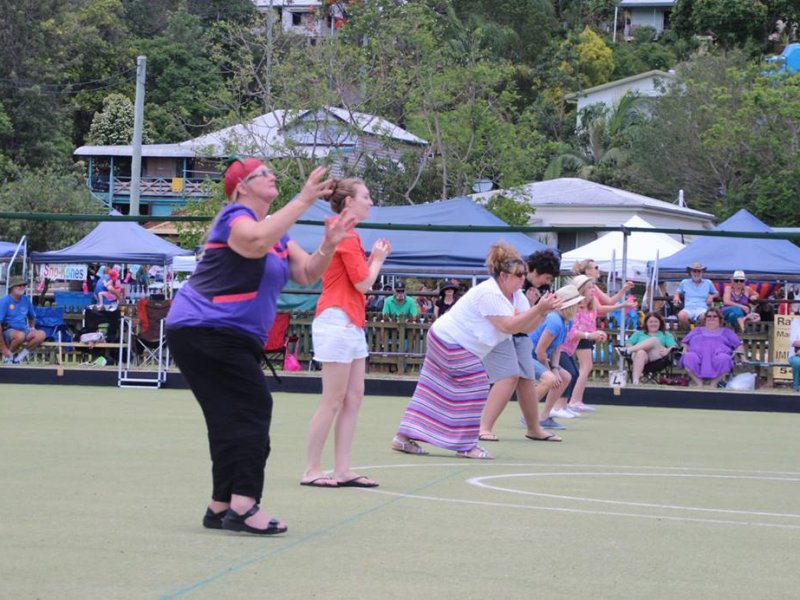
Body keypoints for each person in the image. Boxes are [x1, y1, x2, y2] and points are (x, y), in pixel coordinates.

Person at [166, 158, 354, 535]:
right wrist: (303, 200)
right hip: (206, 329)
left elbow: (305, 273)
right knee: (253, 409)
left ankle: (220, 506)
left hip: (215, 333)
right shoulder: (233, 217)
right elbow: (253, 243)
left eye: (271, 172)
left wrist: (328, 245)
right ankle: (244, 504)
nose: (271, 177)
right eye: (261, 174)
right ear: (241, 188)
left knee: (228, 419)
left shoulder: (278, 234)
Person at [391, 242, 557, 459]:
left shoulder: (518, 297)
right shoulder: (489, 293)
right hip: (449, 340)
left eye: (524, 273)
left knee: (431, 390)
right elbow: (507, 326)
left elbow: (524, 328)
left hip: (453, 341)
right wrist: (539, 308)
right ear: (503, 275)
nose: (523, 278)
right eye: (518, 274)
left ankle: (402, 438)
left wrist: (543, 312)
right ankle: (466, 445)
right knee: (477, 385)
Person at [302, 178, 391, 489]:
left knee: (353, 397)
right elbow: (364, 284)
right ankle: (312, 469)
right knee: (333, 399)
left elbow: (356, 279)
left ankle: (342, 469)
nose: (370, 201)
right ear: (349, 202)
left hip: (350, 321)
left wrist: (371, 261)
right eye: (366, 196)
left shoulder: (346, 234)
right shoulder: (344, 235)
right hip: (336, 319)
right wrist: (378, 260)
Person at [478, 249, 564, 442]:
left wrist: (541, 311)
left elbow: (528, 326)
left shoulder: (529, 291)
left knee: (526, 380)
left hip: (520, 337)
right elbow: (510, 322)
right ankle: (484, 427)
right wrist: (536, 308)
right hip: (501, 336)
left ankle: (534, 428)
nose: (547, 282)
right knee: (508, 377)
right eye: (546, 277)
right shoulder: (505, 288)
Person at [530, 285, 585, 430]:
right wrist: (550, 371)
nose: (580, 306)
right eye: (577, 304)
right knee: (551, 379)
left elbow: (556, 347)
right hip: (526, 356)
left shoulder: (568, 321)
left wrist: (555, 367)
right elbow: (540, 351)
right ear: (570, 306)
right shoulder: (554, 320)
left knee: (565, 376)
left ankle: (544, 417)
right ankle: (528, 415)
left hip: (538, 356)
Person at [559, 274, 606, 412]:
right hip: (569, 343)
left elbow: (590, 327)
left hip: (580, 341)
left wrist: (597, 334)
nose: (593, 290)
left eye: (593, 287)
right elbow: (571, 331)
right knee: (578, 370)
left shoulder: (592, 308)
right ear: (581, 290)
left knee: (577, 371)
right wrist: (589, 335)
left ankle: (570, 402)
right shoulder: (575, 308)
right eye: (590, 287)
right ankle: (571, 402)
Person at [679, 307, 744, 387]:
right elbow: (685, 342)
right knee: (688, 357)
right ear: (705, 319)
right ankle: (699, 383)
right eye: (709, 316)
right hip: (697, 356)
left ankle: (714, 384)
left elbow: (738, 345)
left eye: (714, 316)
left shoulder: (727, 332)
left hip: (718, 356)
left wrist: (743, 358)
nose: (711, 318)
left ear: (720, 319)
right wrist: (684, 350)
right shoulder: (697, 330)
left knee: (725, 359)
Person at [622, 311, 678, 385]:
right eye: (650, 322)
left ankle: (628, 351)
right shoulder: (639, 333)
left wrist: (667, 350)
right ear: (646, 323)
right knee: (641, 352)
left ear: (660, 323)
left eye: (656, 321)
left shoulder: (665, 334)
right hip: (639, 358)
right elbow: (628, 343)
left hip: (657, 359)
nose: (653, 324)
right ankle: (635, 382)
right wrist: (631, 347)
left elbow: (674, 346)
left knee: (654, 340)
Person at [0, 276, 46, 364]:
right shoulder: (4, 301)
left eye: (23, 285)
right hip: (8, 331)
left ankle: (19, 358)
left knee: (41, 335)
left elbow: (32, 316)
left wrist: (32, 327)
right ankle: (9, 358)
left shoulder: (26, 299)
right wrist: (3, 347)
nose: (22, 287)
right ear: (12, 287)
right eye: (19, 285)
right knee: (20, 336)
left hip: (24, 330)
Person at [672, 262, 718, 328]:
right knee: (681, 316)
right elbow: (677, 291)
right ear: (691, 272)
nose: (696, 273)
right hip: (688, 308)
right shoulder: (684, 282)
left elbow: (717, 293)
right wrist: (676, 296)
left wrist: (711, 296)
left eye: (699, 271)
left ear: (702, 272)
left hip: (702, 308)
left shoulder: (708, 282)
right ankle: (688, 332)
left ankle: (698, 333)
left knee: (705, 316)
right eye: (694, 271)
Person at [788, 317, 800, 392]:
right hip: (795, 355)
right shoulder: (796, 323)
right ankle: (797, 386)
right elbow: (794, 342)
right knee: (797, 362)